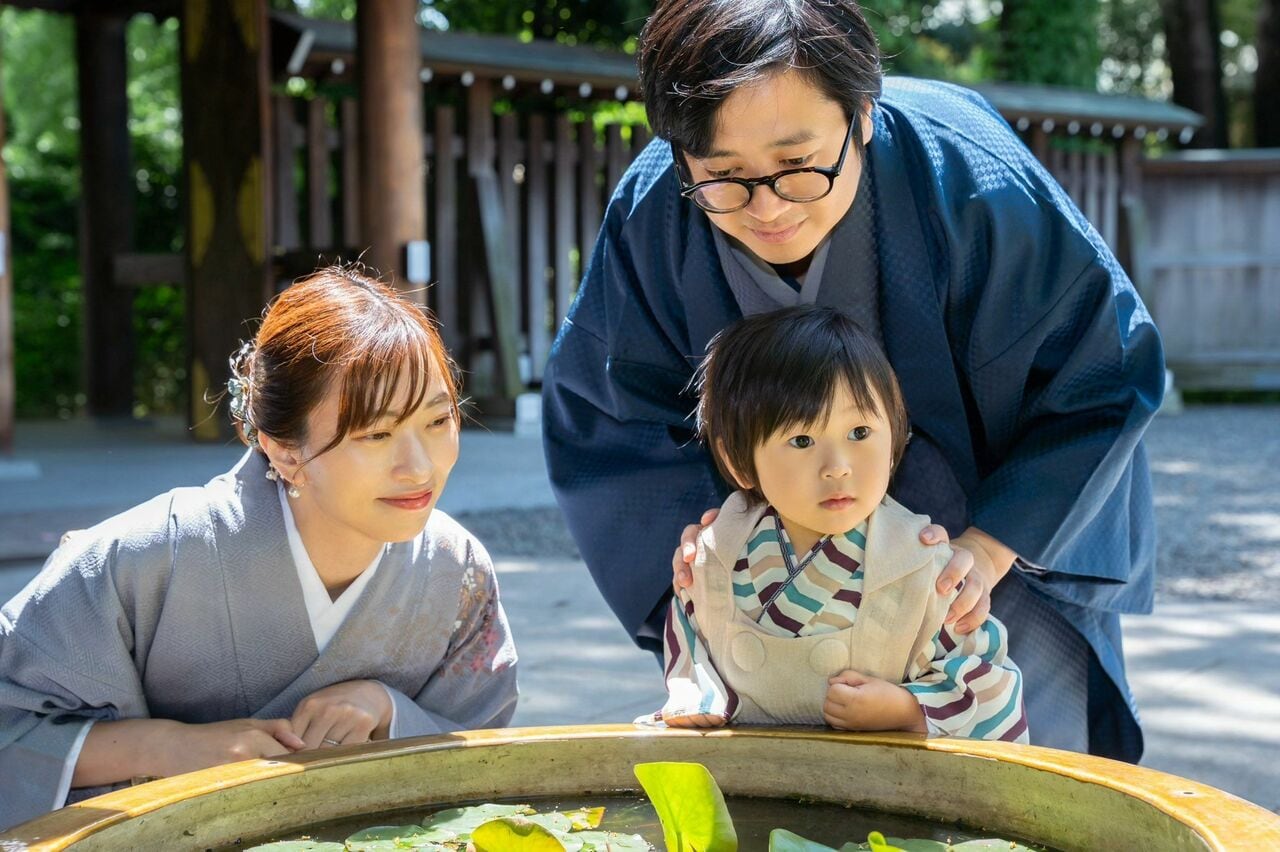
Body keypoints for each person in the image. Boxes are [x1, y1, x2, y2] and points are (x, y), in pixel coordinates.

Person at [543, 0, 1163, 761]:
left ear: (862, 114)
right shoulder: (653, 212)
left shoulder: (974, 177)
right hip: (778, 576)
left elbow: (1102, 367)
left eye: (798, 166)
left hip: (987, 555)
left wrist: (990, 548)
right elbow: (610, 416)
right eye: (726, 178)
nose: (767, 207)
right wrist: (707, 561)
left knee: (1025, 782)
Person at [0, 266, 518, 830]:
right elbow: (11, 727)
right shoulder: (142, 558)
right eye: (376, 434)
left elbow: (489, 752)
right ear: (284, 450)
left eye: (439, 420)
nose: (420, 467)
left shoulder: (456, 567)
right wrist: (165, 748)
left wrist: (387, 710)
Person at [646, 307, 1027, 742]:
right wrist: (695, 694)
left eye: (860, 432)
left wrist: (908, 709)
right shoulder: (715, 556)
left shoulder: (925, 567)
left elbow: (997, 690)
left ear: (895, 435)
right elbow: (690, 645)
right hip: (751, 789)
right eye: (802, 441)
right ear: (738, 463)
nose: (838, 467)